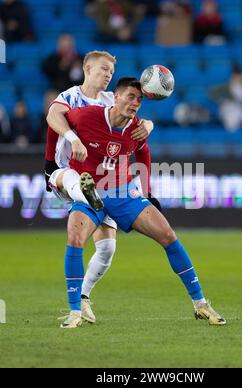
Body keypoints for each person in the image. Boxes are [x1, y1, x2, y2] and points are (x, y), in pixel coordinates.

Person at [50, 76, 226, 328]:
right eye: (130, 97)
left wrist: (147, 192)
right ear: (115, 96)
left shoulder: (137, 129)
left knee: (168, 234)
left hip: (123, 193)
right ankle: (75, 311)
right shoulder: (87, 116)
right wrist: (71, 139)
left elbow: (143, 152)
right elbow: (54, 116)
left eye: (139, 99)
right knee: (75, 237)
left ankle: (200, 304)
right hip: (89, 193)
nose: (134, 103)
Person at [45, 50, 155, 324]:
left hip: (103, 182)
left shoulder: (111, 100)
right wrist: (57, 155)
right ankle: (85, 192)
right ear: (87, 68)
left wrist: (149, 125)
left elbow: (137, 127)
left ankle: (82, 299)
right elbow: (52, 118)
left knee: (107, 250)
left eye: (110, 71)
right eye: (103, 69)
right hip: (68, 171)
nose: (108, 75)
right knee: (72, 179)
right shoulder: (70, 97)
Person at [210, 66, 242, 132]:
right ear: (233, 77)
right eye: (236, 77)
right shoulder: (225, 86)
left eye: (240, 77)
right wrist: (222, 102)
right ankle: (232, 140)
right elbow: (212, 93)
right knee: (231, 121)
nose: (239, 79)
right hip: (230, 109)